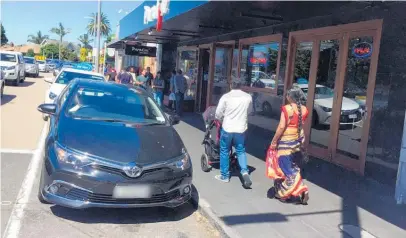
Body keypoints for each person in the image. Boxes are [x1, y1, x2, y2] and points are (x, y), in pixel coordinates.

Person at [270, 84, 309, 204]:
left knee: (287, 169)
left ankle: (296, 190)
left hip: (286, 142)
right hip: (298, 141)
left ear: (290, 97)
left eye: (287, 95)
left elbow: (281, 126)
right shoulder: (304, 109)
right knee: (293, 166)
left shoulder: (287, 109)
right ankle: (294, 190)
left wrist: (274, 141)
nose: (286, 96)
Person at [214, 78, 253, 188]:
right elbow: (249, 111)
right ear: (241, 86)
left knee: (224, 151)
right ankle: (244, 172)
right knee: (241, 151)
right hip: (241, 129)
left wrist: (220, 119)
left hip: (227, 128)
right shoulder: (247, 97)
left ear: (231, 85)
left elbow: (218, 113)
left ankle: (225, 176)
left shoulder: (226, 97)